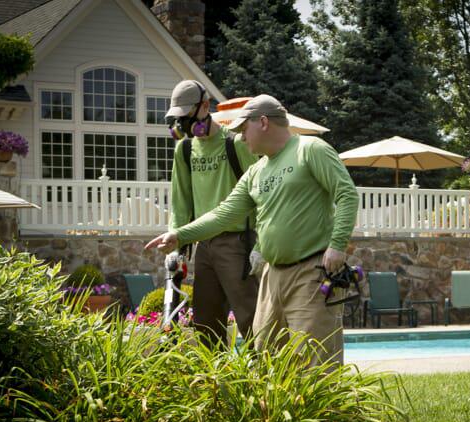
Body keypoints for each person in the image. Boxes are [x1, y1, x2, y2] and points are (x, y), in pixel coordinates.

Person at [147, 94, 359, 366]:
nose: (241, 138)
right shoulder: (256, 170)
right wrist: (180, 234)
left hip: (312, 271)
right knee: (267, 355)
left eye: (243, 129)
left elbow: (347, 195)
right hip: (272, 276)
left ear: (263, 122)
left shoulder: (310, 149)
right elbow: (224, 214)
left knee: (314, 361)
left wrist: (338, 245)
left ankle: (329, 411)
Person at [163, 79, 260, 344]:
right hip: (203, 246)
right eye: (178, 119)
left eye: (186, 116)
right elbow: (180, 202)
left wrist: (260, 243)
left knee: (251, 318)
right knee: (206, 322)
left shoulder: (236, 144)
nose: (182, 125)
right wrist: (177, 244)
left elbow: (261, 194)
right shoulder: (183, 150)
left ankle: (265, 377)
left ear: (205, 106)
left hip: (238, 244)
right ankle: (214, 381)